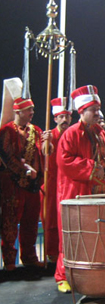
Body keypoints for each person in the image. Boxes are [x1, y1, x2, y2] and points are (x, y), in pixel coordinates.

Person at [56, 85, 105, 293]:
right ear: (82, 111)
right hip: (76, 193)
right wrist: (93, 169)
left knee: (95, 235)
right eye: (93, 110)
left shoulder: (102, 134)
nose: (98, 114)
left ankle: (92, 273)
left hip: (100, 194)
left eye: (98, 109)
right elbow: (64, 161)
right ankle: (63, 276)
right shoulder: (71, 134)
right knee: (72, 235)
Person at [0, 95, 52, 271]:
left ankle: (29, 257)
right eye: (29, 110)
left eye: (32, 110)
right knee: (10, 222)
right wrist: (25, 171)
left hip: (33, 185)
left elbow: (44, 153)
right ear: (18, 111)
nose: (32, 113)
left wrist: (47, 143)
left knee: (30, 223)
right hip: (13, 184)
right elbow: (6, 156)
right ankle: (9, 261)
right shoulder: (7, 131)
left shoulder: (36, 130)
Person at [40, 97, 72, 265]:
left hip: (69, 184)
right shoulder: (49, 136)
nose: (65, 120)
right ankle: (52, 255)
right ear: (55, 118)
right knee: (52, 220)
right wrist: (47, 143)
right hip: (52, 184)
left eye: (67, 116)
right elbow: (45, 152)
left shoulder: (73, 135)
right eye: (61, 117)